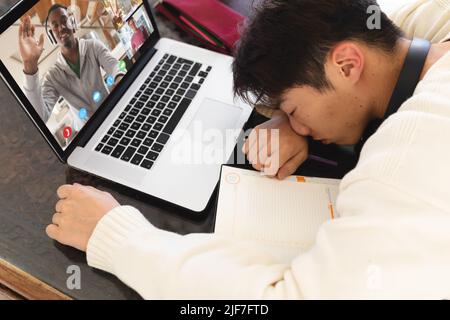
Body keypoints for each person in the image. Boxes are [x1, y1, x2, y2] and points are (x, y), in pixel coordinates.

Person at [46, 0, 450, 299]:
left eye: (293, 108)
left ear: (347, 65)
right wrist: (296, 118)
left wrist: (118, 238)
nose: (296, 123)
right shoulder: (422, 27)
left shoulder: (404, 165)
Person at [20, 4, 125, 122]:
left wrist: (120, 77)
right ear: (52, 36)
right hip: (89, 132)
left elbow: (114, 65)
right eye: (55, 26)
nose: (61, 27)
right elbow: (40, 116)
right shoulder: (52, 76)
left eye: (64, 21)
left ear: (73, 23)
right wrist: (30, 66)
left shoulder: (93, 46)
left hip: (113, 113)